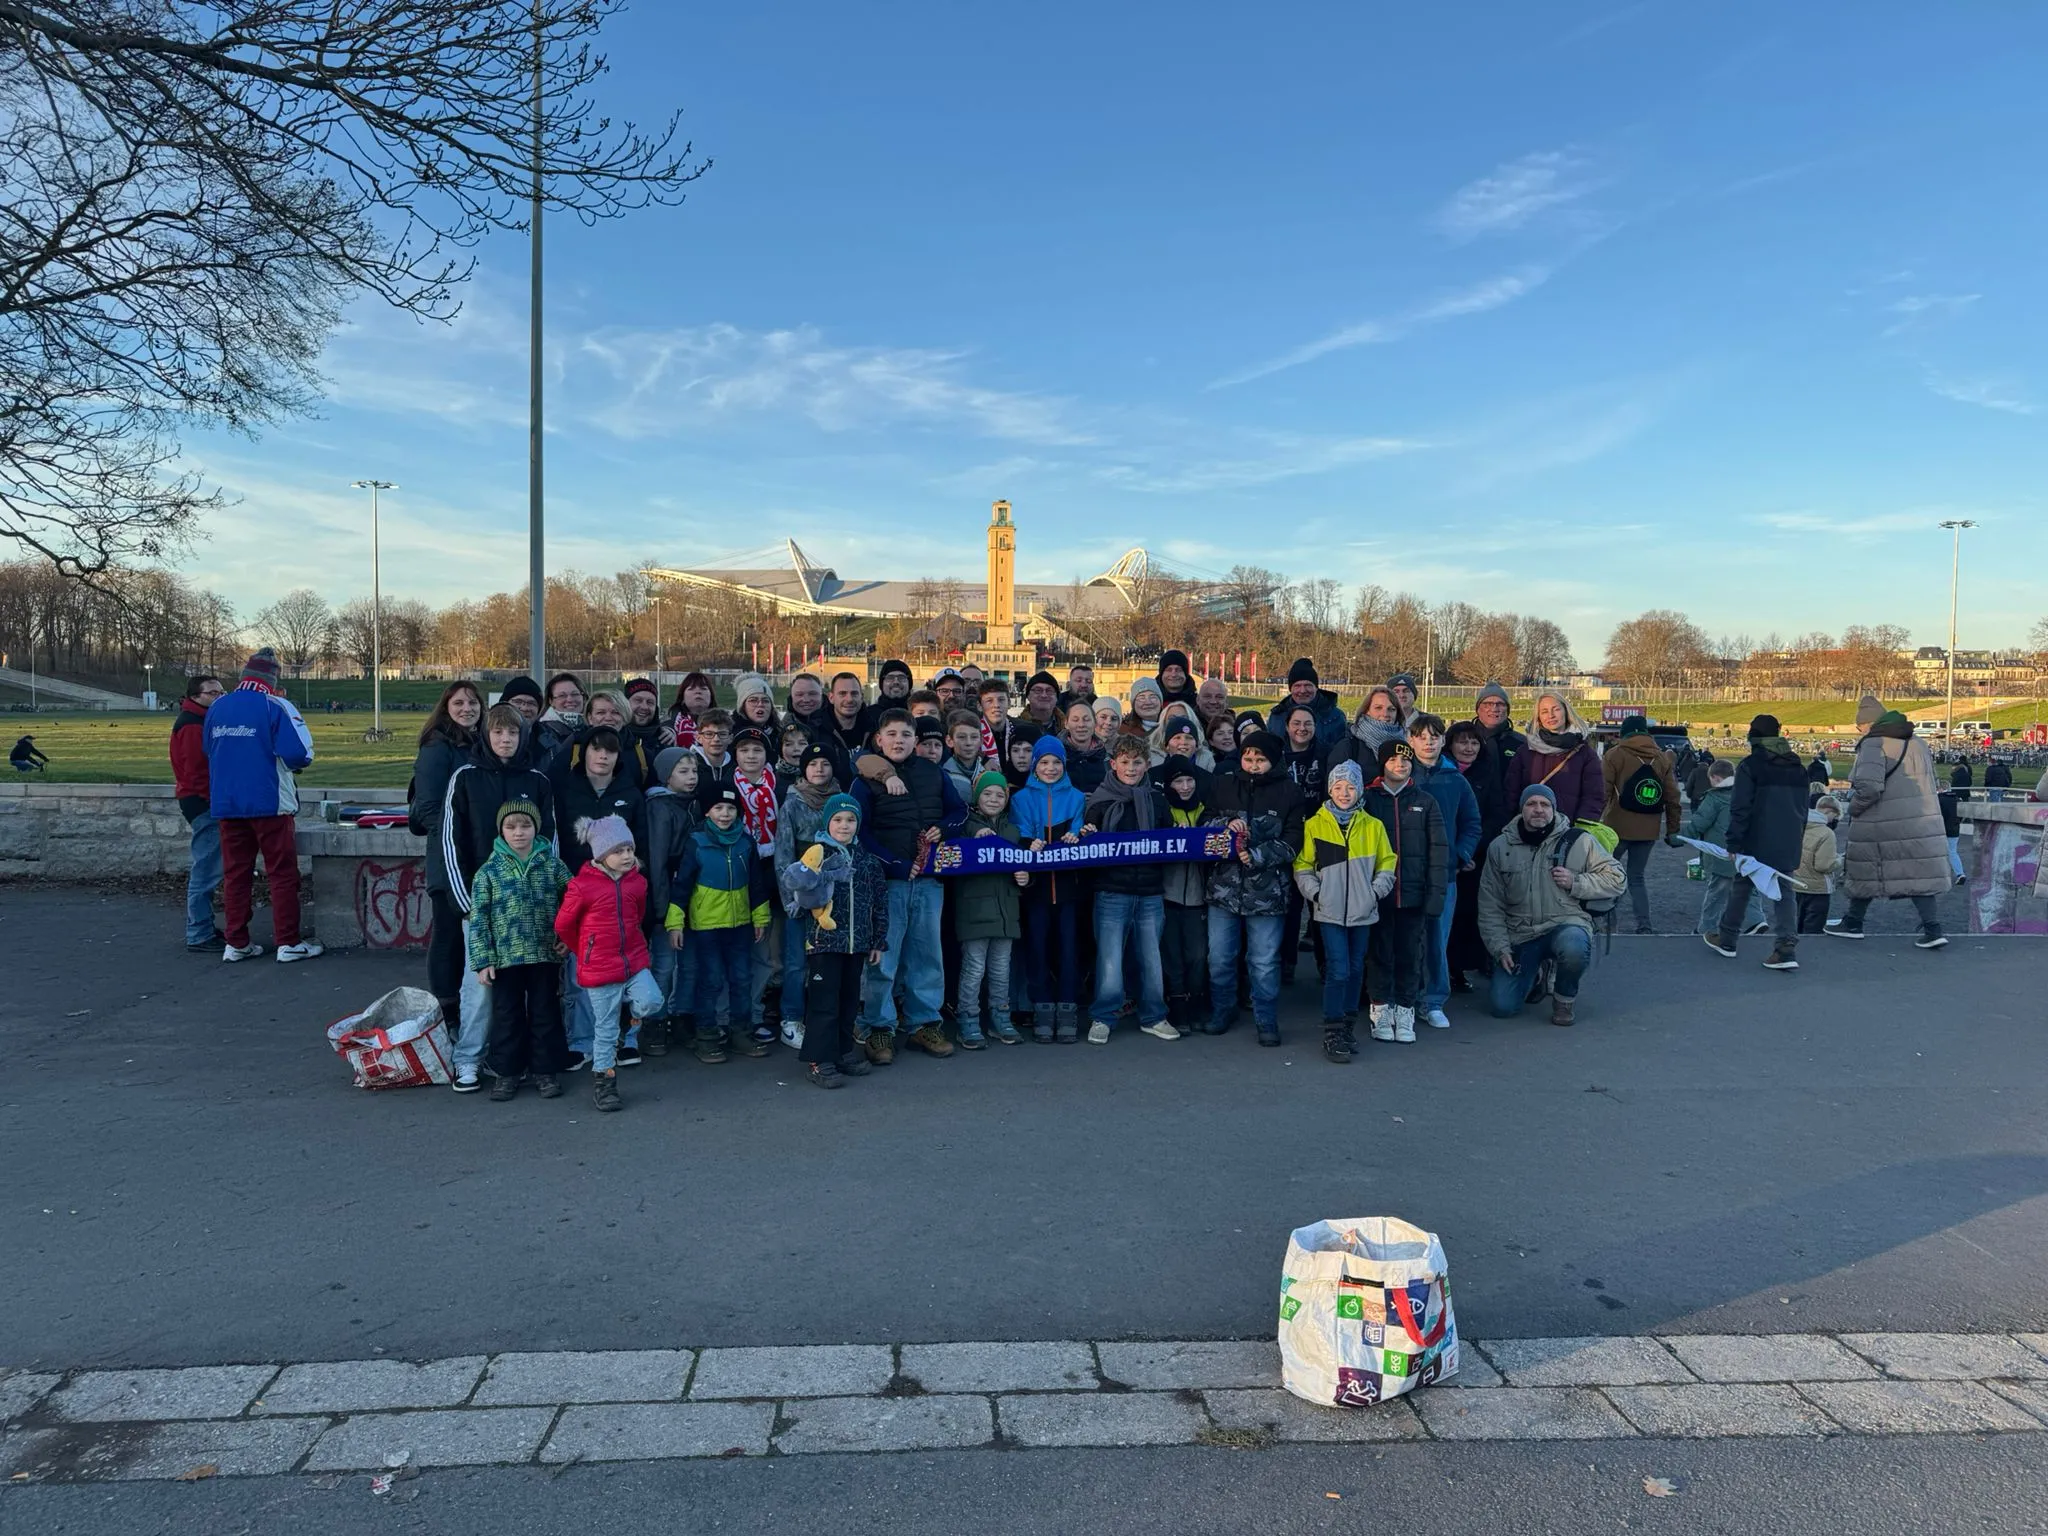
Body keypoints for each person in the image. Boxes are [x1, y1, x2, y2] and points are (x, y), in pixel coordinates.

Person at [439, 704, 560, 1086]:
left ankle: (531, 1062)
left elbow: (550, 843)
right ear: (487, 737)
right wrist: (469, 906)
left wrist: (552, 908)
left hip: (533, 912)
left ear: (522, 736)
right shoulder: (466, 777)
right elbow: (450, 842)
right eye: (497, 734)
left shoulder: (537, 778)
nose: (505, 740)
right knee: (481, 986)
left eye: (512, 733)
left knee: (538, 994)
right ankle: (469, 1058)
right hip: (483, 904)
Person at [851, 708, 966, 1060]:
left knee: (928, 956)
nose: (899, 741)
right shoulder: (865, 780)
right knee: (883, 960)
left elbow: (959, 811)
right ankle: (879, 1027)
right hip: (889, 883)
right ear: (879, 740)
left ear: (915, 741)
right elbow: (858, 831)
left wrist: (944, 829)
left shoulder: (933, 773)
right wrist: (895, 864)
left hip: (930, 882)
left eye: (906, 735)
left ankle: (924, 1024)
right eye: (892, 734)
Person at [204, 647, 319, 963]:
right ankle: (287, 941)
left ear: (243, 676)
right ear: (272, 678)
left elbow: (208, 749)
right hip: (269, 802)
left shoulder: (218, 707)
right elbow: (300, 754)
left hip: (228, 803)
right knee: (282, 872)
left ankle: (237, 941)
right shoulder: (275, 705)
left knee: (236, 874)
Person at [1477, 784, 1626, 1026]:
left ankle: (1564, 997)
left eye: (1544, 804)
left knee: (1574, 947)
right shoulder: (1500, 847)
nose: (1538, 810)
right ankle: (1537, 974)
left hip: (1566, 923)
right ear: (1521, 809)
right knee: (1502, 1007)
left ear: (1554, 809)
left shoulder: (1579, 841)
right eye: (1531, 804)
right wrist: (1500, 948)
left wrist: (1576, 882)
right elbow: (1489, 904)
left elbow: (1617, 879)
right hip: (1521, 933)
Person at [1202, 729, 1305, 1045]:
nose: (1253, 764)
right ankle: (1222, 1009)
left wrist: (1258, 855)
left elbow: (1293, 841)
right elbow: (1203, 826)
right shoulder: (1223, 785)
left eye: (1260, 759)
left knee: (1263, 960)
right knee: (1219, 956)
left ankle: (1265, 1018)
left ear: (1272, 761)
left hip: (1267, 893)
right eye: (1248, 757)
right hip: (1224, 890)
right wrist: (1224, 826)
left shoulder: (1290, 792)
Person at [556, 815, 663, 1111]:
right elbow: (564, 924)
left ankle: (628, 1014)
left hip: (633, 959)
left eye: (629, 849)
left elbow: (637, 914)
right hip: (600, 967)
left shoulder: (637, 883)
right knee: (604, 1031)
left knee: (652, 1000)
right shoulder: (582, 886)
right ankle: (605, 1083)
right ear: (602, 855)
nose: (627, 856)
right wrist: (583, 949)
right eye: (619, 851)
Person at [466, 800, 571, 1101]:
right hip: (505, 957)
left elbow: (574, 903)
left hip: (544, 954)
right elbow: (479, 918)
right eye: (511, 827)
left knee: (544, 1011)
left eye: (525, 826)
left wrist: (568, 937)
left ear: (536, 828)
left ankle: (545, 1070)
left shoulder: (552, 865)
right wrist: (482, 959)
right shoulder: (488, 872)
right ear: (501, 830)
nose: (519, 833)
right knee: (507, 1015)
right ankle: (507, 1071)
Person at [1294, 759, 1397, 1063]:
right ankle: (1333, 1028)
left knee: (1354, 969)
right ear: (1329, 789)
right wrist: (1316, 893)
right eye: (1338, 787)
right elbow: (1303, 865)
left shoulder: (1372, 826)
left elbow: (1387, 861)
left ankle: (1348, 1024)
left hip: (1363, 911)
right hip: (1329, 911)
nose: (1344, 792)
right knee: (1338, 969)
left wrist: (1374, 892)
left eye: (1350, 786)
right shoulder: (1315, 824)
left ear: (1359, 790)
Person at [783, 792, 888, 1087]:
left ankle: (842, 1051)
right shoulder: (816, 855)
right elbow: (799, 889)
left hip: (857, 944)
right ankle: (819, 1060)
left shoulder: (866, 861)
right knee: (823, 1003)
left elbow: (879, 901)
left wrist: (878, 940)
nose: (844, 826)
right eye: (838, 820)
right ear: (827, 822)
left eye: (851, 820)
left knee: (848, 1000)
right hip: (825, 942)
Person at [668, 785, 774, 1062]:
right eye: (718, 808)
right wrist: (675, 923)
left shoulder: (745, 842)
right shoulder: (696, 841)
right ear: (707, 811)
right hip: (706, 927)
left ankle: (741, 1032)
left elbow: (756, 883)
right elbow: (682, 885)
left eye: (730, 808)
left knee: (741, 979)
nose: (725, 814)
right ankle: (707, 1036)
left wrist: (760, 917)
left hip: (740, 924)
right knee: (711, 981)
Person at [1832, 709, 1951, 947]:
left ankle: (1853, 922)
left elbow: (1869, 788)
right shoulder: (1918, 743)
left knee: (1866, 869)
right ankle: (1933, 928)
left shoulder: (1873, 745)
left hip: (1881, 822)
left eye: (1859, 726)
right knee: (1919, 876)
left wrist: (1852, 808)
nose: (1859, 732)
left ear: (1868, 723)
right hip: (1919, 820)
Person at [1701, 715, 1810, 971]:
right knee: (1783, 892)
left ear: (1753, 736)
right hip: (1788, 837)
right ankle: (1785, 947)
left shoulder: (1751, 765)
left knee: (1742, 886)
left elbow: (1741, 808)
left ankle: (1727, 938)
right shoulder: (1797, 766)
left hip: (1757, 838)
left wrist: (1733, 843)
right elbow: (1803, 808)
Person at [1084, 735, 1174, 1044]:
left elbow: (1171, 841)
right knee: (1109, 961)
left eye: (1137, 762)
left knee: (1151, 958)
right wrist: (1087, 834)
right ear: (1113, 764)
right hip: (1111, 891)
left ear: (1148, 765)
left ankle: (1154, 1016)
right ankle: (1103, 1017)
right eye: (1124, 762)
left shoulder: (1158, 800)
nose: (1131, 768)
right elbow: (1088, 839)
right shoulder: (1099, 800)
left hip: (1150, 891)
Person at [1360, 740, 1446, 1044]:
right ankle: (1380, 1009)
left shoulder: (1425, 801)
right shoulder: (1367, 799)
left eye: (1406, 760)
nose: (1400, 764)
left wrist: (1435, 896)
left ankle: (1406, 1010)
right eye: (1394, 760)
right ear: (1383, 764)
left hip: (1413, 896)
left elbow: (1438, 851)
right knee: (1379, 955)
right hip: (1377, 896)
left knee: (1411, 956)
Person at [409, 680, 483, 1015]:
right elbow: (427, 807)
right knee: (448, 933)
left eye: (472, 703)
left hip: (477, 852)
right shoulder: (437, 746)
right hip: (448, 854)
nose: (467, 709)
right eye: (459, 704)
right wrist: (456, 839)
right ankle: (445, 1006)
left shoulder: (481, 742)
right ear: (446, 707)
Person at [1406, 713, 1481, 1029]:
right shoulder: (1401, 776)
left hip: (1443, 874)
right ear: (1410, 740)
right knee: (1405, 938)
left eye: (1434, 736)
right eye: (1421, 736)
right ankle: (1403, 998)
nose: (1428, 742)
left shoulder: (1455, 780)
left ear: (1442, 741)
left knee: (1437, 938)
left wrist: (1459, 855)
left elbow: (1471, 823)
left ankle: (1433, 999)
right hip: (1405, 873)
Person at [1013, 735, 1089, 1042]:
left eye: (1057, 762)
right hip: (1036, 890)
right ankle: (1042, 1007)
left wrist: (1077, 835)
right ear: (1034, 765)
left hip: (1069, 889)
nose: (1050, 768)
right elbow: (1018, 834)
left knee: (1070, 949)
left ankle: (1068, 1007)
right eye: (1044, 762)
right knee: (1038, 949)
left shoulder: (1076, 797)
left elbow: (1082, 829)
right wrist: (1028, 842)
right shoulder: (1020, 799)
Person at [773, 743, 841, 1048]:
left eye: (825, 763)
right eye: (813, 764)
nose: (819, 769)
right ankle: (790, 1018)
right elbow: (783, 854)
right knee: (796, 962)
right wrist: (790, 898)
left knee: (828, 961)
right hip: (801, 895)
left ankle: (825, 1017)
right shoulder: (793, 803)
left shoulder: (841, 801)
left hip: (834, 893)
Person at [954, 770, 1028, 1048]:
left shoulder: (1013, 831)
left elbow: (1021, 866)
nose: (994, 799)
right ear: (976, 796)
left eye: (1000, 794)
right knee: (973, 969)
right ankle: (968, 1020)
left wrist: (1025, 878)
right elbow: (952, 861)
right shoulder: (965, 827)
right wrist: (974, 838)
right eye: (987, 793)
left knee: (1000, 969)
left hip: (1007, 911)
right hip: (973, 911)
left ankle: (1001, 1018)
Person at [642, 747, 703, 1054]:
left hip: (694, 896)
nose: (691, 777)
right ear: (667, 776)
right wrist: (662, 907)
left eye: (694, 771)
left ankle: (682, 1016)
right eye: (683, 771)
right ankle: (656, 1020)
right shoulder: (660, 808)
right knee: (664, 964)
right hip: (668, 898)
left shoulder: (692, 804)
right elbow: (657, 860)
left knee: (688, 964)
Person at [1601, 716, 1682, 935]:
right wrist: (1673, 830)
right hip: (1649, 827)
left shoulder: (1614, 755)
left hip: (1615, 827)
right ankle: (1644, 925)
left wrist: (1592, 822)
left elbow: (1603, 792)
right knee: (1637, 877)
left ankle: (1610, 924)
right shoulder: (1662, 758)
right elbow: (1673, 796)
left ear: (1624, 733)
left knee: (1609, 876)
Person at [1274, 700, 1329, 987]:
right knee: (1291, 905)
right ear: (1287, 726)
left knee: (1321, 902)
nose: (1302, 728)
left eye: (1307, 723)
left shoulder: (1325, 755)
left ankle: (1324, 961)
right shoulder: (1278, 756)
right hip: (1288, 835)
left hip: (1320, 836)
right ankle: (1287, 962)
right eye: (1296, 723)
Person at [171, 675, 226, 952]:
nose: (219, 697)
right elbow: (197, 772)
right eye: (212, 693)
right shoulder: (193, 725)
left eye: (221, 692)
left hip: (200, 799)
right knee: (206, 869)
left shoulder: (199, 721)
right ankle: (199, 933)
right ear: (195, 696)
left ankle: (202, 926)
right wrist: (215, 800)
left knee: (209, 866)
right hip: (203, 802)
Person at [1158, 754, 1211, 1033]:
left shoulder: (1206, 809)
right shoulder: (1162, 809)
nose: (1186, 786)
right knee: (1172, 954)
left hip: (1198, 895)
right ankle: (1177, 1001)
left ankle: (1197, 998)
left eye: (1190, 779)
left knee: (1198, 954)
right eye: (1179, 781)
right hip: (1169, 893)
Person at [1679, 759, 1757, 936]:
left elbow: (1700, 822)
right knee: (1747, 888)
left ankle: (1706, 928)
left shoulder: (1715, 797)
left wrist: (1680, 837)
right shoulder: (1747, 794)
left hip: (1722, 851)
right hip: (1746, 850)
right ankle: (1757, 920)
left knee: (1716, 893)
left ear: (1714, 777)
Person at [1505, 692, 1603, 825]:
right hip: (1530, 828)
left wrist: (1582, 827)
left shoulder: (1584, 753)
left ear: (1566, 711)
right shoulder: (1525, 751)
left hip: (1568, 830)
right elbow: (1511, 793)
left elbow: (1593, 796)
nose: (1550, 715)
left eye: (1556, 709)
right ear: (1538, 717)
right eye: (1544, 711)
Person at [1266, 658, 1347, 754]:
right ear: (1290, 689)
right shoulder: (1276, 717)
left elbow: (1341, 753)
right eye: (1297, 686)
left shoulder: (1336, 717)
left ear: (1316, 687)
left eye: (1308, 685)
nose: (1303, 690)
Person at [1330, 685, 1405, 773]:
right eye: (1378, 708)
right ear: (1366, 711)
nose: (1385, 714)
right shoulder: (1349, 746)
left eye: (1391, 709)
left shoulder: (1404, 745)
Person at [1792, 794, 1839, 934]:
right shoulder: (1827, 834)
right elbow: (1823, 865)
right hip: (1817, 888)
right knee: (1813, 930)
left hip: (1797, 883)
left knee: (1798, 925)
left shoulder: (1799, 826)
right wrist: (1840, 861)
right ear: (1830, 812)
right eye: (1835, 816)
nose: (1834, 820)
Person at [1060, 697, 1109, 793]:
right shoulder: (1055, 756)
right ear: (1066, 723)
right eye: (1075, 720)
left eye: (1086, 720)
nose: (1081, 725)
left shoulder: (1106, 759)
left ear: (1095, 723)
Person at [536, 672, 586, 758]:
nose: (569, 699)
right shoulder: (540, 734)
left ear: (583, 697)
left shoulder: (592, 728)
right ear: (551, 701)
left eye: (575, 694)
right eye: (562, 695)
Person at [668, 671, 716, 749]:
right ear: (682, 697)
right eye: (691, 689)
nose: (698, 692)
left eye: (703, 689)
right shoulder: (669, 728)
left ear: (711, 697)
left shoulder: (725, 725)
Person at [1155, 650, 1201, 714]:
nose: (1173, 674)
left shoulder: (1199, 703)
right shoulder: (1151, 702)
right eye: (1169, 670)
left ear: (1185, 674)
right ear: (1161, 673)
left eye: (1178, 670)